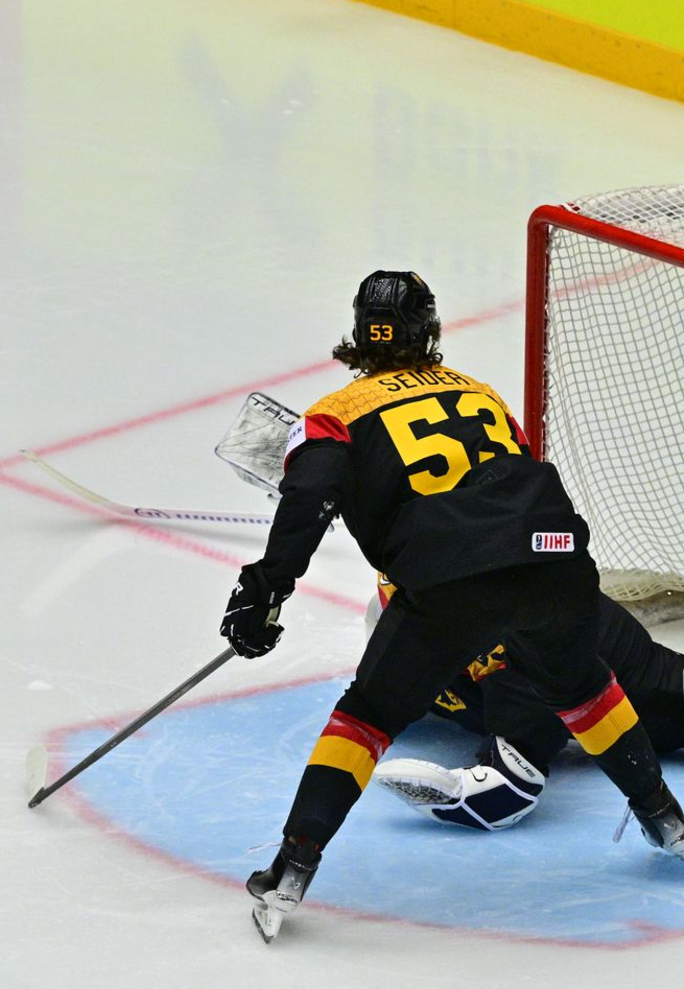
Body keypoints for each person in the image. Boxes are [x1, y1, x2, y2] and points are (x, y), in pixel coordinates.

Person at [219, 269, 684, 944]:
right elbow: (513, 478)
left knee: (366, 716)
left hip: (454, 580)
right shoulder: (479, 392)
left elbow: (308, 498)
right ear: (430, 331)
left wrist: (266, 589)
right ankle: (666, 819)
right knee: (585, 688)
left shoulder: (336, 413)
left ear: (359, 336)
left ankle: (290, 870)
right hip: (555, 560)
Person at [368, 574, 684, 829]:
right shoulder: (396, 622)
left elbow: (503, 796)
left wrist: (460, 792)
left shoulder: (506, 632)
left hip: (618, 667)